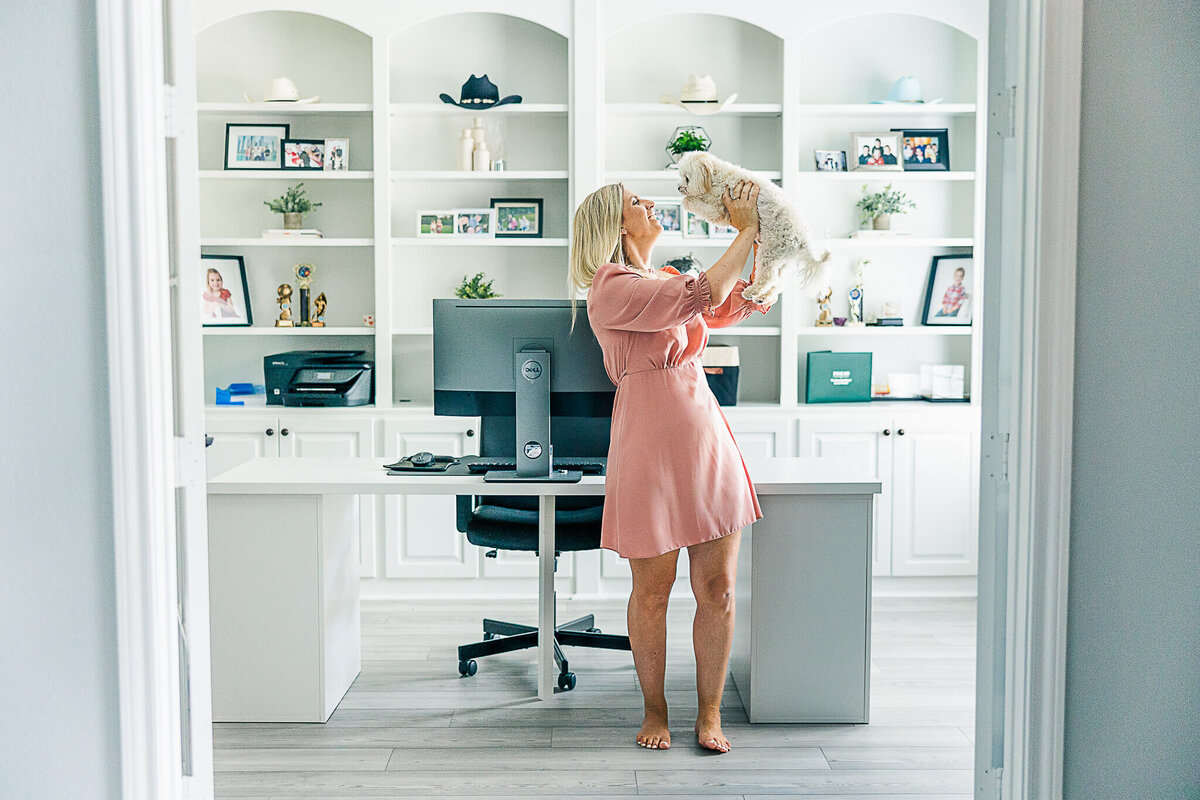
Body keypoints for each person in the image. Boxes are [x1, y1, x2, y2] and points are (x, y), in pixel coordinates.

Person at [567, 180, 769, 754]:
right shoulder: (609, 287)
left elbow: (726, 301)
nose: (650, 206)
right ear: (615, 224)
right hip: (648, 443)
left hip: (702, 432)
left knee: (719, 588)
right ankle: (655, 710)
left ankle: (709, 714)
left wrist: (762, 246)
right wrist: (747, 229)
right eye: (637, 202)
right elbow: (704, 291)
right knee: (652, 592)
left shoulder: (663, 280)